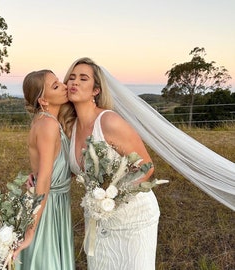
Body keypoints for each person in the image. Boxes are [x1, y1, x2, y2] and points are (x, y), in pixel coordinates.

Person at [63, 57, 161, 270]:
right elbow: (74, 171)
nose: (74, 83)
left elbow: (147, 166)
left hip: (133, 219)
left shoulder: (109, 121)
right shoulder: (71, 127)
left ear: (95, 90)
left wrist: (115, 195)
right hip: (98, 221)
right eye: (71, 78)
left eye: (83, 78)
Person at [13, 70, 75, 270]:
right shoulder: (48, 124)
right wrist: (31, 229)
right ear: (43, 101)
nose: (65, 86)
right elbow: (45, 178)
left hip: (57, 200)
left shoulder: (47, 121)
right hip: (49, 206)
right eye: (56, 86)